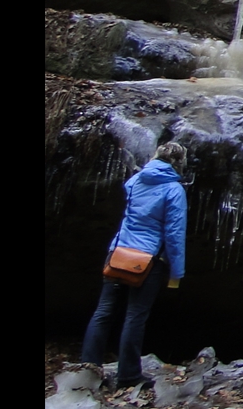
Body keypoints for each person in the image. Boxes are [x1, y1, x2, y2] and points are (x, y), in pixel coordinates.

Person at [80, 141, 189, 390]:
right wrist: (177, 271)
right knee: (135, 316)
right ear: (179, 162)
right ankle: (128, 375)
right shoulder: (173, 190)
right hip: (147, 261)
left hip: (118, 253)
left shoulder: (136, 181)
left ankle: (88, 368)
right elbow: (174, 233)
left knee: (103, 311)